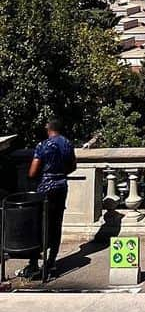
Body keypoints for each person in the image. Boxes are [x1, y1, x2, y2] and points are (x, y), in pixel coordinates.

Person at [23, 119, 76, 280]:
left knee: (39, 224)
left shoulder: (43, 145)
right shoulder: (67, 143)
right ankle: (51, 260)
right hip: (61, 186)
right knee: (57, 222)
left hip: (45, 187)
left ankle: (34, 261)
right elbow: (73, 166)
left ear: (48, 128)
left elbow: (33, 172)